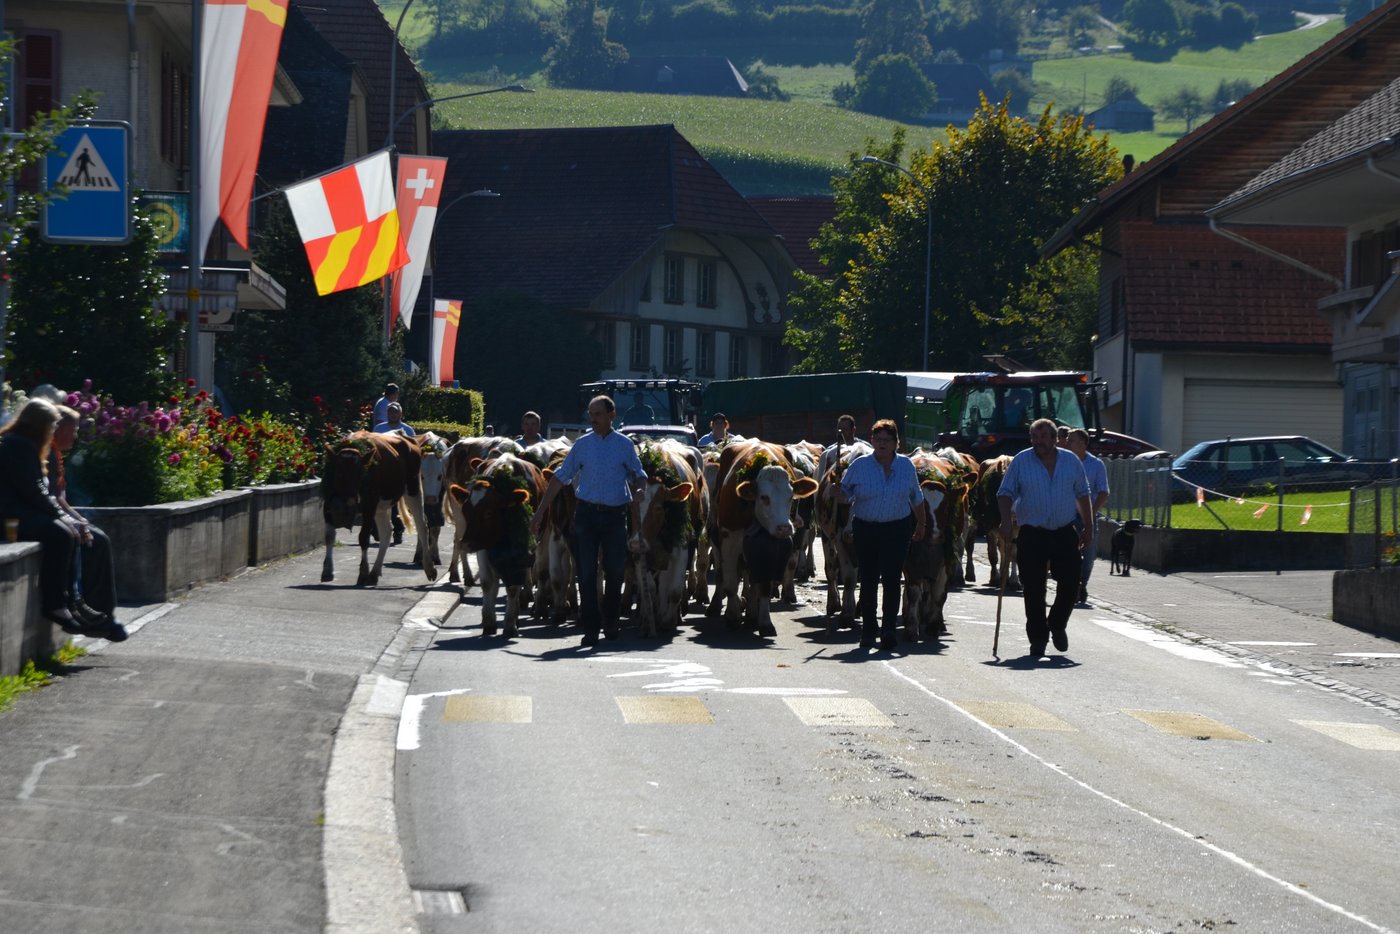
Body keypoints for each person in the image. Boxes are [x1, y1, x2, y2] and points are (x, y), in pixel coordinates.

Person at [530, 395, 645, 648]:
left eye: (598, 414)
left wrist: (640, 489)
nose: (593, 419)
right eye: (591, 414)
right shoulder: (582, 445)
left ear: (612, 415)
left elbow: (638, 473)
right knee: (586, 572)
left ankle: (611, 619)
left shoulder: (624, 445)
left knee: (615, 571)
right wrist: (540, 513)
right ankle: (591, 627)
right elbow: (560, 477)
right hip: (586, 515)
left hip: (615, 516)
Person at [0, 399, 104, 637]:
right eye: (52, 425)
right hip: (9, 515)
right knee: (62, 534)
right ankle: (56, 604)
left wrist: (67, 519)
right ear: (40, 425)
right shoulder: (17, 446)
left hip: (20, 511)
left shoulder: (23, 444)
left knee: (68, 532)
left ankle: (72, 600)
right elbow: (34, 490)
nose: (54, 431)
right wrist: (64, 517)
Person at [997, 418, 1093, 658]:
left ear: (1054, 438)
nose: (1038, 441)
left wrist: (1089, 526)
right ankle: (1038, 638)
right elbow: (1005, 493)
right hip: (1032, 532)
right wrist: (1006, 522)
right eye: (1034, 437)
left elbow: (1083, 494)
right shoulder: (1021, 461)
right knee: (1033, 588)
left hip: (1064, 530)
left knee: (1072, 581)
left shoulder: (1070, 461)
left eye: (1043, 437)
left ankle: (1057, 623)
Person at [834, 418, 926, 651]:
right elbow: (845, 493)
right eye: (877, 439)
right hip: (866, 528)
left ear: (896, 442)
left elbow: (916, 497)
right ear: (872, 441)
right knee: (869, 579)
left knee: (892, 579)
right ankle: (868, 630)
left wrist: (922, 523)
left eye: (887, 439)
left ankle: (888, 630)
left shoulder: (906, 466)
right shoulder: (860, 466)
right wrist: (838, 493)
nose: (882, 443)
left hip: (897, 529)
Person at [47, 405, 127, 641]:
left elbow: (60, 498)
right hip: (47, 517)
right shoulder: (48, 454)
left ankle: (102, 614)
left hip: (55, 514)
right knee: (96, 541)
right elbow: (52, 499)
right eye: (73, 430)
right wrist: (76, 522)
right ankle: (94, 613)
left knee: (98, 538)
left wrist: (79, 519)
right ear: (59, 429)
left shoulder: (55, 454)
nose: (75, 436)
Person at [1065, 428, 1110, 606]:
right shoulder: (1063, 462)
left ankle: (1082, 584)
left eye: (1071, 440)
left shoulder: (1096, 465)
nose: (1067, 443)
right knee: (1067, 553)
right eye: (1067, 439)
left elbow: (1103, 492)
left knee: (1089, 554)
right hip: (1067, 516)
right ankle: (1071, 586)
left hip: (1088, 516)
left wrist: (1090, 513)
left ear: (1083, 443)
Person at [372, 403, 415, 544]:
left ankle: (398, 530)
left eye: (395, 412)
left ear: (400, 414)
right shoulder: (379, 429)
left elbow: (413, 450)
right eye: (390, 412)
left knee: (396, 503)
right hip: (381, 471)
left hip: (398, 472)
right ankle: (376, 529)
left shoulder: (408, 430)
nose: (393, 414)